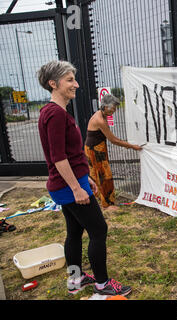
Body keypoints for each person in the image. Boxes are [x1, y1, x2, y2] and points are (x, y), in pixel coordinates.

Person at [37, 60, 131, 297]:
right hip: (68, 187)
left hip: (69, 184)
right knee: (99, 229)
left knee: (74, 232)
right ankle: (102, 284)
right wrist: (76, 188)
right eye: (69, 80)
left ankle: (76, 280)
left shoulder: (53, 112)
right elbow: (59, 158)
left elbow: (68, 154)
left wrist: (84, 178)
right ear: (53, 83)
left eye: (74, 79)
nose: (76, 84)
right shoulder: (56, 114)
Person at [84, 94, 142, 211]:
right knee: (105, 176)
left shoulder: (101, 115)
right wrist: (131, 146)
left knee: (95, 175)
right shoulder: (100, 120)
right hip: (95, 150)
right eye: (113, 108)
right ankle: (107, 205)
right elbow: (113, 140)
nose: (115, 111)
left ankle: (97, 199)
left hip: (94, 148)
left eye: (115, 108)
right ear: (105, 107)